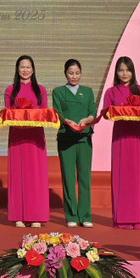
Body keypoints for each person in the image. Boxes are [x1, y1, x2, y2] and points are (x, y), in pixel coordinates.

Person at [102, 56, 140, 229]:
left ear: (133, 71)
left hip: (138, 138)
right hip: (121, 137)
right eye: (121, 70)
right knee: (122, 175)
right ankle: (122, 218)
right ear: (116, 72)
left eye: (128, 70)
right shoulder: (111, 92)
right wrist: (118, 111)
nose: (124, 74)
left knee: (139, 176)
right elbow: (106, 114)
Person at [4, 55, 49, 228]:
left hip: (35, 138)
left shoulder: (40, 90)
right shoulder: (10, 90)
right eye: (22, 67)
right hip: (17, 138)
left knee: (35, 176)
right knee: (18, 175)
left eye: (28, 67)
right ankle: (19, 216)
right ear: (17, 69)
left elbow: (45, 113)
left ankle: (36, 215)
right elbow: (7, 113)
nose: (25, 70)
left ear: (33, 69)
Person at [51, 59, 96, 228]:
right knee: (68, 178)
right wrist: (67, 121)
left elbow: (92, 112)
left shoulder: (87, 92)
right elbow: (57, 113)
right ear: (65, 74)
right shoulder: (58, 92)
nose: (74, 76)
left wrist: (86, 120)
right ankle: (71, 215)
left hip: (84, 138)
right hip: (66, 139)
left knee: (85, 178)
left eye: (77, 73)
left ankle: (85, 215)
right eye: (71, 73)